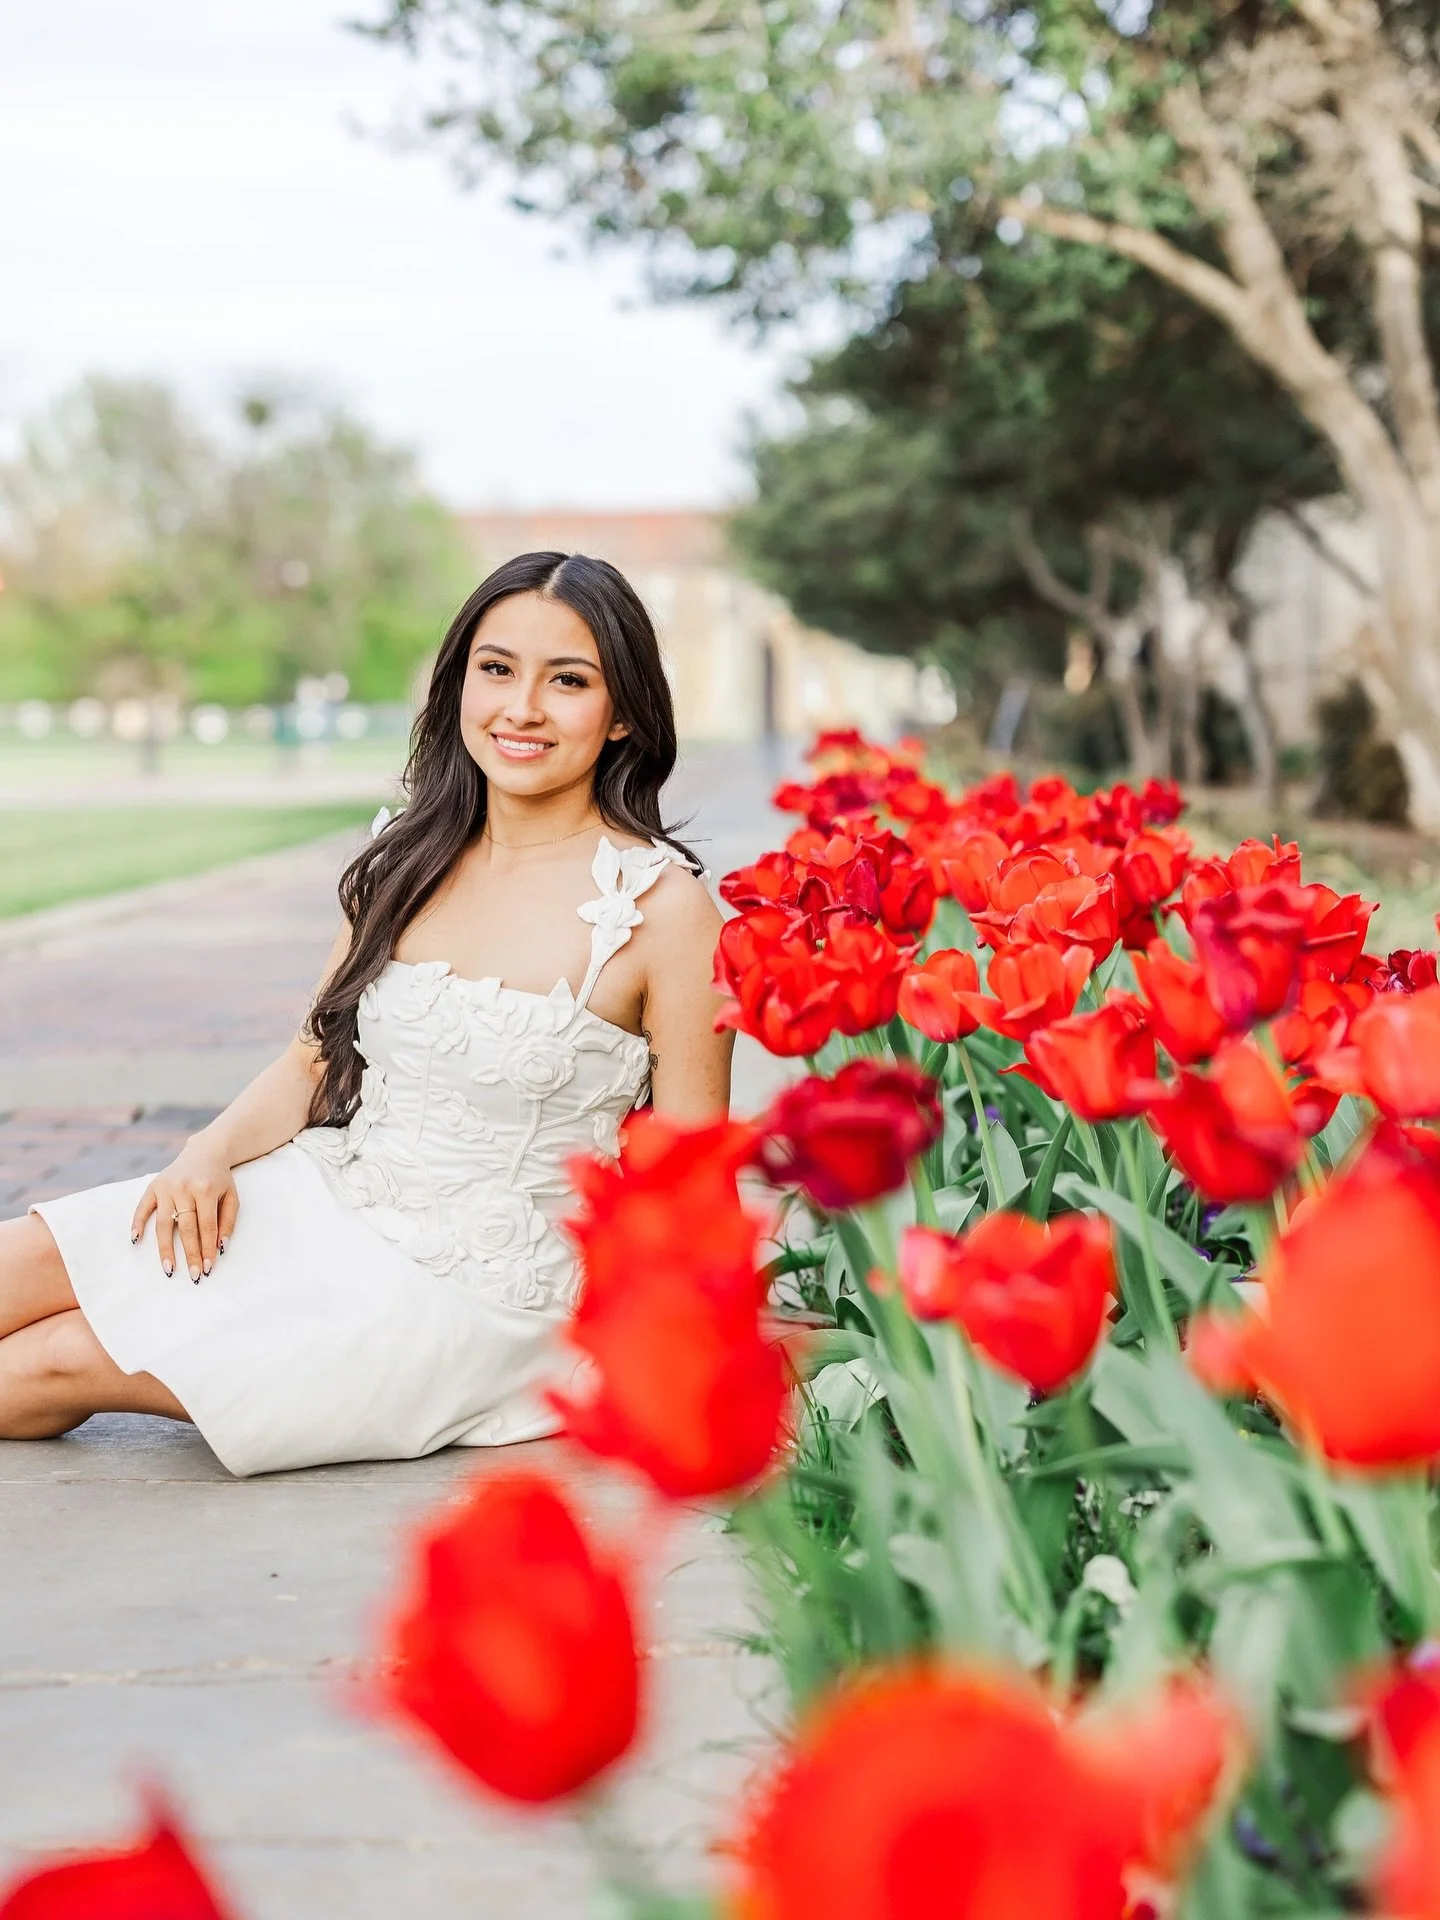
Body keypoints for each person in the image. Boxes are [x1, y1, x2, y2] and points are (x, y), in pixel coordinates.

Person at [0, 552, 731, 1475]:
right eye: (497, 668)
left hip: (473, 1298)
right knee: (20, 1262)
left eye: (568, 681)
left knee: (47, 1363)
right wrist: (207, 1152)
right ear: (459, 681)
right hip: (330, 1194)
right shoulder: (406, 859)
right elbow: (312, 1063)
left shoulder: (666, 912)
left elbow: (692, 1177)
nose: (521, 708)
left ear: (622, 712)